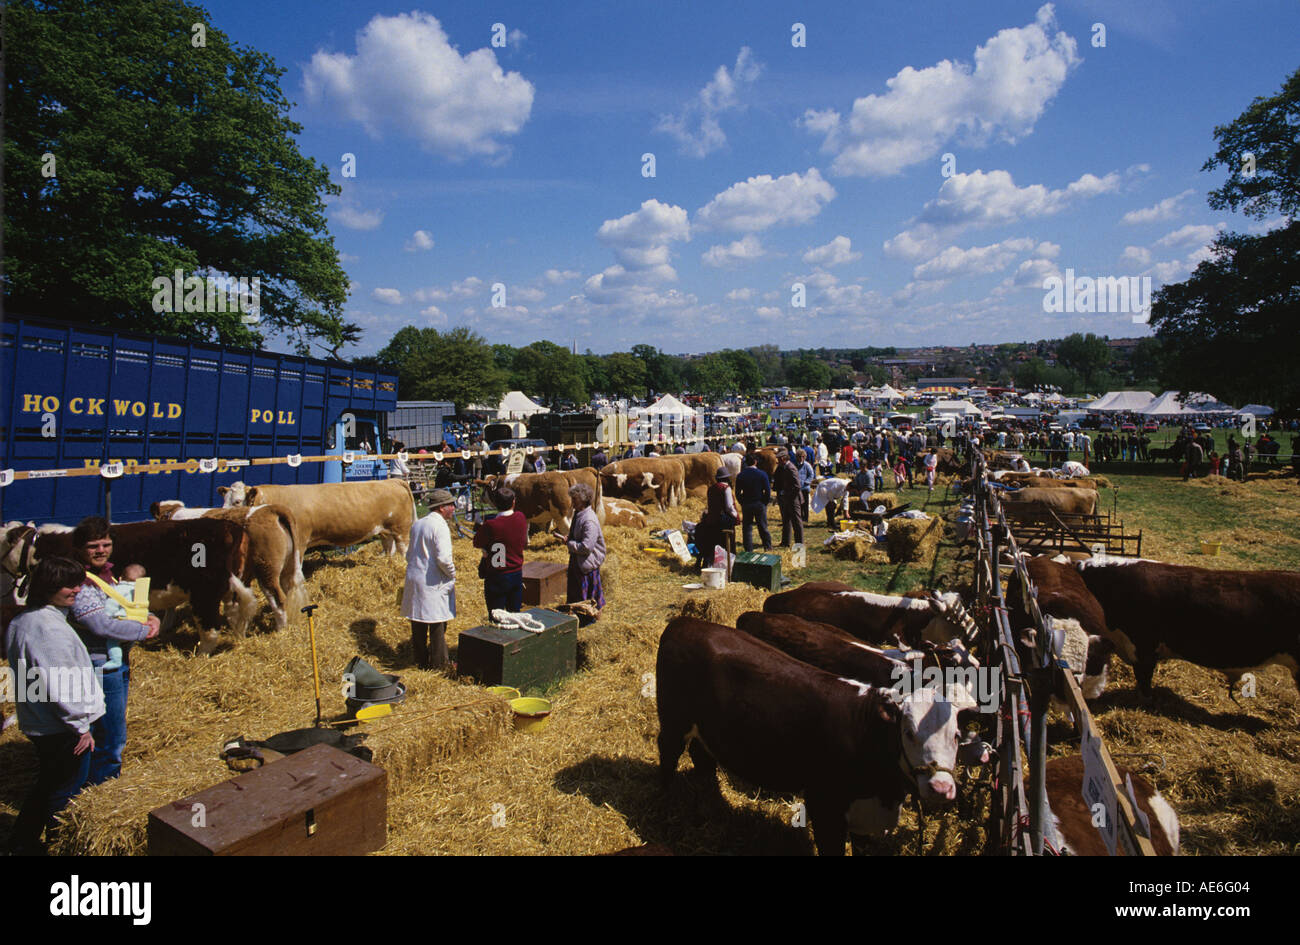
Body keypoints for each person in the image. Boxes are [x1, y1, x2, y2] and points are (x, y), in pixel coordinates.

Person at [3, 557, 106, 855]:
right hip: (61, 728)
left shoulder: (25, 620)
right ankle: (61, 844)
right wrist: (80, 726)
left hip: (41, 721)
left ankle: (21, 843)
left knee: (47, 784)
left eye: (78, 582)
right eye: (68, 585)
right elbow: (60, 683)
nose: (76, 589)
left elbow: (33, 681)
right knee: (65, 790)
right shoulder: (48, 630)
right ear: (48, 587)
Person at [67, 517, 159, 785]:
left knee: (110, 727)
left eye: (106, 544)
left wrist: (149, 616)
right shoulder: (81, 582)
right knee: (109, 731)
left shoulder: (108, 576)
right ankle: (102, 785)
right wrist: (142, 631)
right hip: (98, 664)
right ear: (79, 548)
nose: (101, 550)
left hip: (116, 660)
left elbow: (125, 606)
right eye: (93, 546)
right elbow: (100, 625)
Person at [401, 488, 457, 670]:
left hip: (415, 576)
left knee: (417, 620)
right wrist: (452, 573)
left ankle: (420, 660)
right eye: (451, 505)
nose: (454, 508)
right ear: (441, 508)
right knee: (436, 623)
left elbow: (409, 554)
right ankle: (439, 663)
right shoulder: (440, 526)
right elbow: (443, 558)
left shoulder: (418, 524)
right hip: (432, 580)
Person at [473, 486, 528, 615]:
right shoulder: (520, 517)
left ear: (494, 503)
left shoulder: (491, 525)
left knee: (496, 615)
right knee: (515, 614)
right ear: (513, 502)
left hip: (497, 575)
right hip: (516, 573)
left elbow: (477, 542)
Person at [564, 483, 606, 611]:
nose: (572, 503)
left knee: (588, 598)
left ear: (583, 500)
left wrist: (569, 543)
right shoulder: (578, 514)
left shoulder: (589, 520)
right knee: (575, 593)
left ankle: (589, 616)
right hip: (578, 561)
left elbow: (586, 547)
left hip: (586, 564)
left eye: (575, 499)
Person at [694, 468, 740, 569]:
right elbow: (728, 506)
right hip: (722, 520)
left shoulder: (711, 488)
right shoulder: (725, 488)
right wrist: (735, 515)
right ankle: (729, 564)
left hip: (712, 519)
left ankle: (707, 563)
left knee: (711, 541)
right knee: (729, 541)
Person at [735, 453, 773, 552]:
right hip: (759, 503)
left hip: (747, 503)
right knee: (763, 526)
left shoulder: (740, 475)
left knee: (747, 528)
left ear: (746, 463)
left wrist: (742, 502)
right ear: (755, 462)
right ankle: (767, 546)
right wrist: (764, 502)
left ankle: (748, 549)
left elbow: (737, 492)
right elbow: (768, 491)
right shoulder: (762, 474)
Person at [774, 449, 804, 548]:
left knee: (796, 522)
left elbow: (797, 486)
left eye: (778, 458)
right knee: (786, 521)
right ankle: (785, 542)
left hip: (793, 499)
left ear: (783, 458)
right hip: (786, 499)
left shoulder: (791, 468)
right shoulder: (782, 467)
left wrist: (787, 495)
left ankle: (799, 544)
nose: (777, 461)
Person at [798, 452, 815, 524]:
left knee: (805, 503)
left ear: (804, 457)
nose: (801, 458)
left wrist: (806, 482)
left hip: (805, 488)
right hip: (798, 488)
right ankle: (800, 517)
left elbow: (811, 474)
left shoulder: (807, 465)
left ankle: (806, 518)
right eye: (799, 456)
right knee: (799, 504)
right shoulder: (795, 465)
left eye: (802, 456)